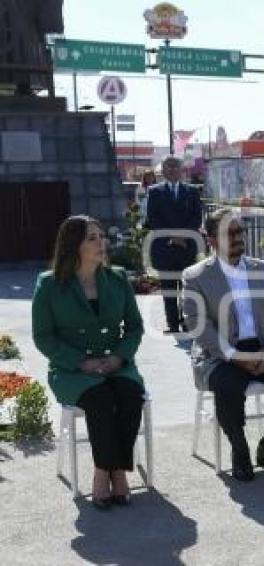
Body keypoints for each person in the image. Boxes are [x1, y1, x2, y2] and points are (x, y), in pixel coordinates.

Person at [182, 209, 264, 482]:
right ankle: (239, 450)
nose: (237, 237)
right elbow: (197, 324)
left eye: (240, 231)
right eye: (229, 232)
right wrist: (233, 355)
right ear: (211, 239)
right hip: (219, 354)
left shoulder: (263, 270)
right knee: (228, 388)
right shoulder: (196, 276)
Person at [31, 215, 146, 509]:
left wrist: (119, 357)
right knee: (100, 400)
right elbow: (43, 337)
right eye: (92, 238)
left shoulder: (118, 278)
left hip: (115, 362)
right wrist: (81, 362)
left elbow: (134, 326)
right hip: (72, 370)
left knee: (131, 396)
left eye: (101, 236)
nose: (101, 243)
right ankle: (103, 472)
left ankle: (118, 470)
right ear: (74, 246)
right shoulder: (49, 285)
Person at [146, 156, 203, 333]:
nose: (171, 170)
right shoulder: (154, 192)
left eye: (175, 167)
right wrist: (172, 236)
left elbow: (196, 218)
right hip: (164, 247)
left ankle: (187, 322)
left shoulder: (192, 191)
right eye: (167, 167)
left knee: (188, 287)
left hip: (187, 247)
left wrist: (182, 236)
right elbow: (153, 219)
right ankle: (172, 324)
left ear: (181, 170)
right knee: (169, 288)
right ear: (162, 171)